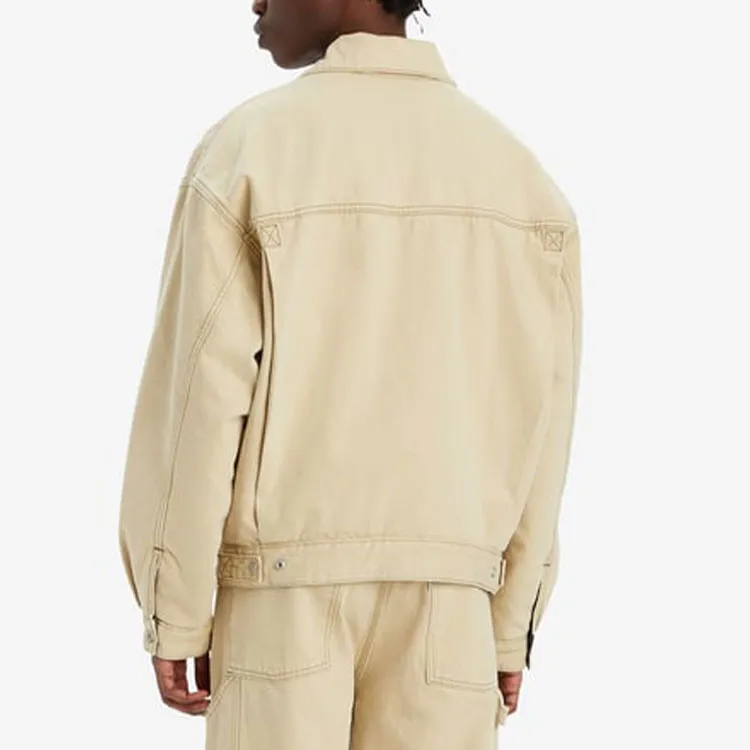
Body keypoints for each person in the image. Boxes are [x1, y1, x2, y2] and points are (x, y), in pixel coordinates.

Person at [118, 1, 583, 748]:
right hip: (451, 611)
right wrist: (507, 626)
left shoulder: (251, 150)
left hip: (281, 602)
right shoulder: (523, 180)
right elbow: (545, 425)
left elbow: (198, 402)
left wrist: (174, 608)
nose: (256, 2)